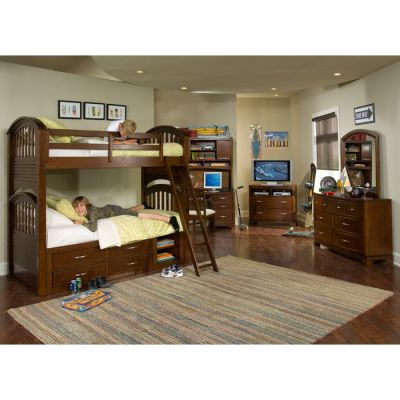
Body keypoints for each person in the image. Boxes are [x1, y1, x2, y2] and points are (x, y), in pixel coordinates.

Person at [72, 196, 180, 233]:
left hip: (114, 211)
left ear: (87, 205)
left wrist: (81, 223)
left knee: (140, 215)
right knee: (128, 210)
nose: (79, 209)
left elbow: (93, 228)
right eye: (76, 207)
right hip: (110, 209)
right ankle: (143, 205)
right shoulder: (86, 212)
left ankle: (170, 219)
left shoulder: (92, 212)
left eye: (81, 205)